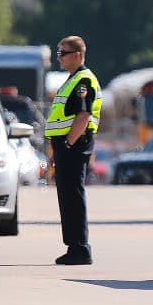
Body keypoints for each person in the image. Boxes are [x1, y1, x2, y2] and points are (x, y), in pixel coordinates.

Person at [44, 36, 103, 265]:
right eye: (58, 52)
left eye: (63, 53)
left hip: (74, 144)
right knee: (67, 196)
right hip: (66, 144)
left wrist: (68, 144)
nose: (59, 57)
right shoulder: (72, 79)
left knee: (73, 196)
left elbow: (83, 115)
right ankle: (74, 246)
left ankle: (80, 248)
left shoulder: (83, 81)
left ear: (77, 55)